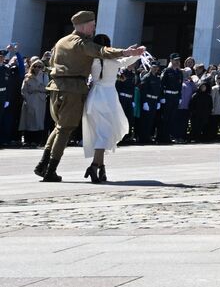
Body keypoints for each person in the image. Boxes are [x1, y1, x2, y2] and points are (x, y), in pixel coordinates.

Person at [34, 12, 145, 182]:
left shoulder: (61, 41)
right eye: (92, 25)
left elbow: (51, 63)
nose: (94, 29)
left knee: (59, 127)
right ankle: (50, 170)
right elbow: (101, 51)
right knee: (65, 129)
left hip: (55, 86)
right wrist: (126, 52)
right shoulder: (81, 43)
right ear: (84, 25)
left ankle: (42, 164)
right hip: (73, 89)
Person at [80, 40, 147, 182]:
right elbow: (127, 61)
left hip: (93, 97)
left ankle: (101, 168)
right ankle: (94, 166)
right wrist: (138, 53)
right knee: (104, 134)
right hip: (108, 97)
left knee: (100, 133)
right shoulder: (113, 61)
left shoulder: (91, 61)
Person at [20, 57, 49, 148]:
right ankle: (27, 140)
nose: (37, 68)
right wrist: (27, 98)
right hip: (29, 99)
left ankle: (36, 141)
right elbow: (23, 89)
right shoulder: (27, 76)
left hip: (40, 100)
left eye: (39, 66)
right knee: (28, 121)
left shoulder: (44, 76)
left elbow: (46, 88)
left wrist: (38, 86)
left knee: (38, 121)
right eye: (35, 66)